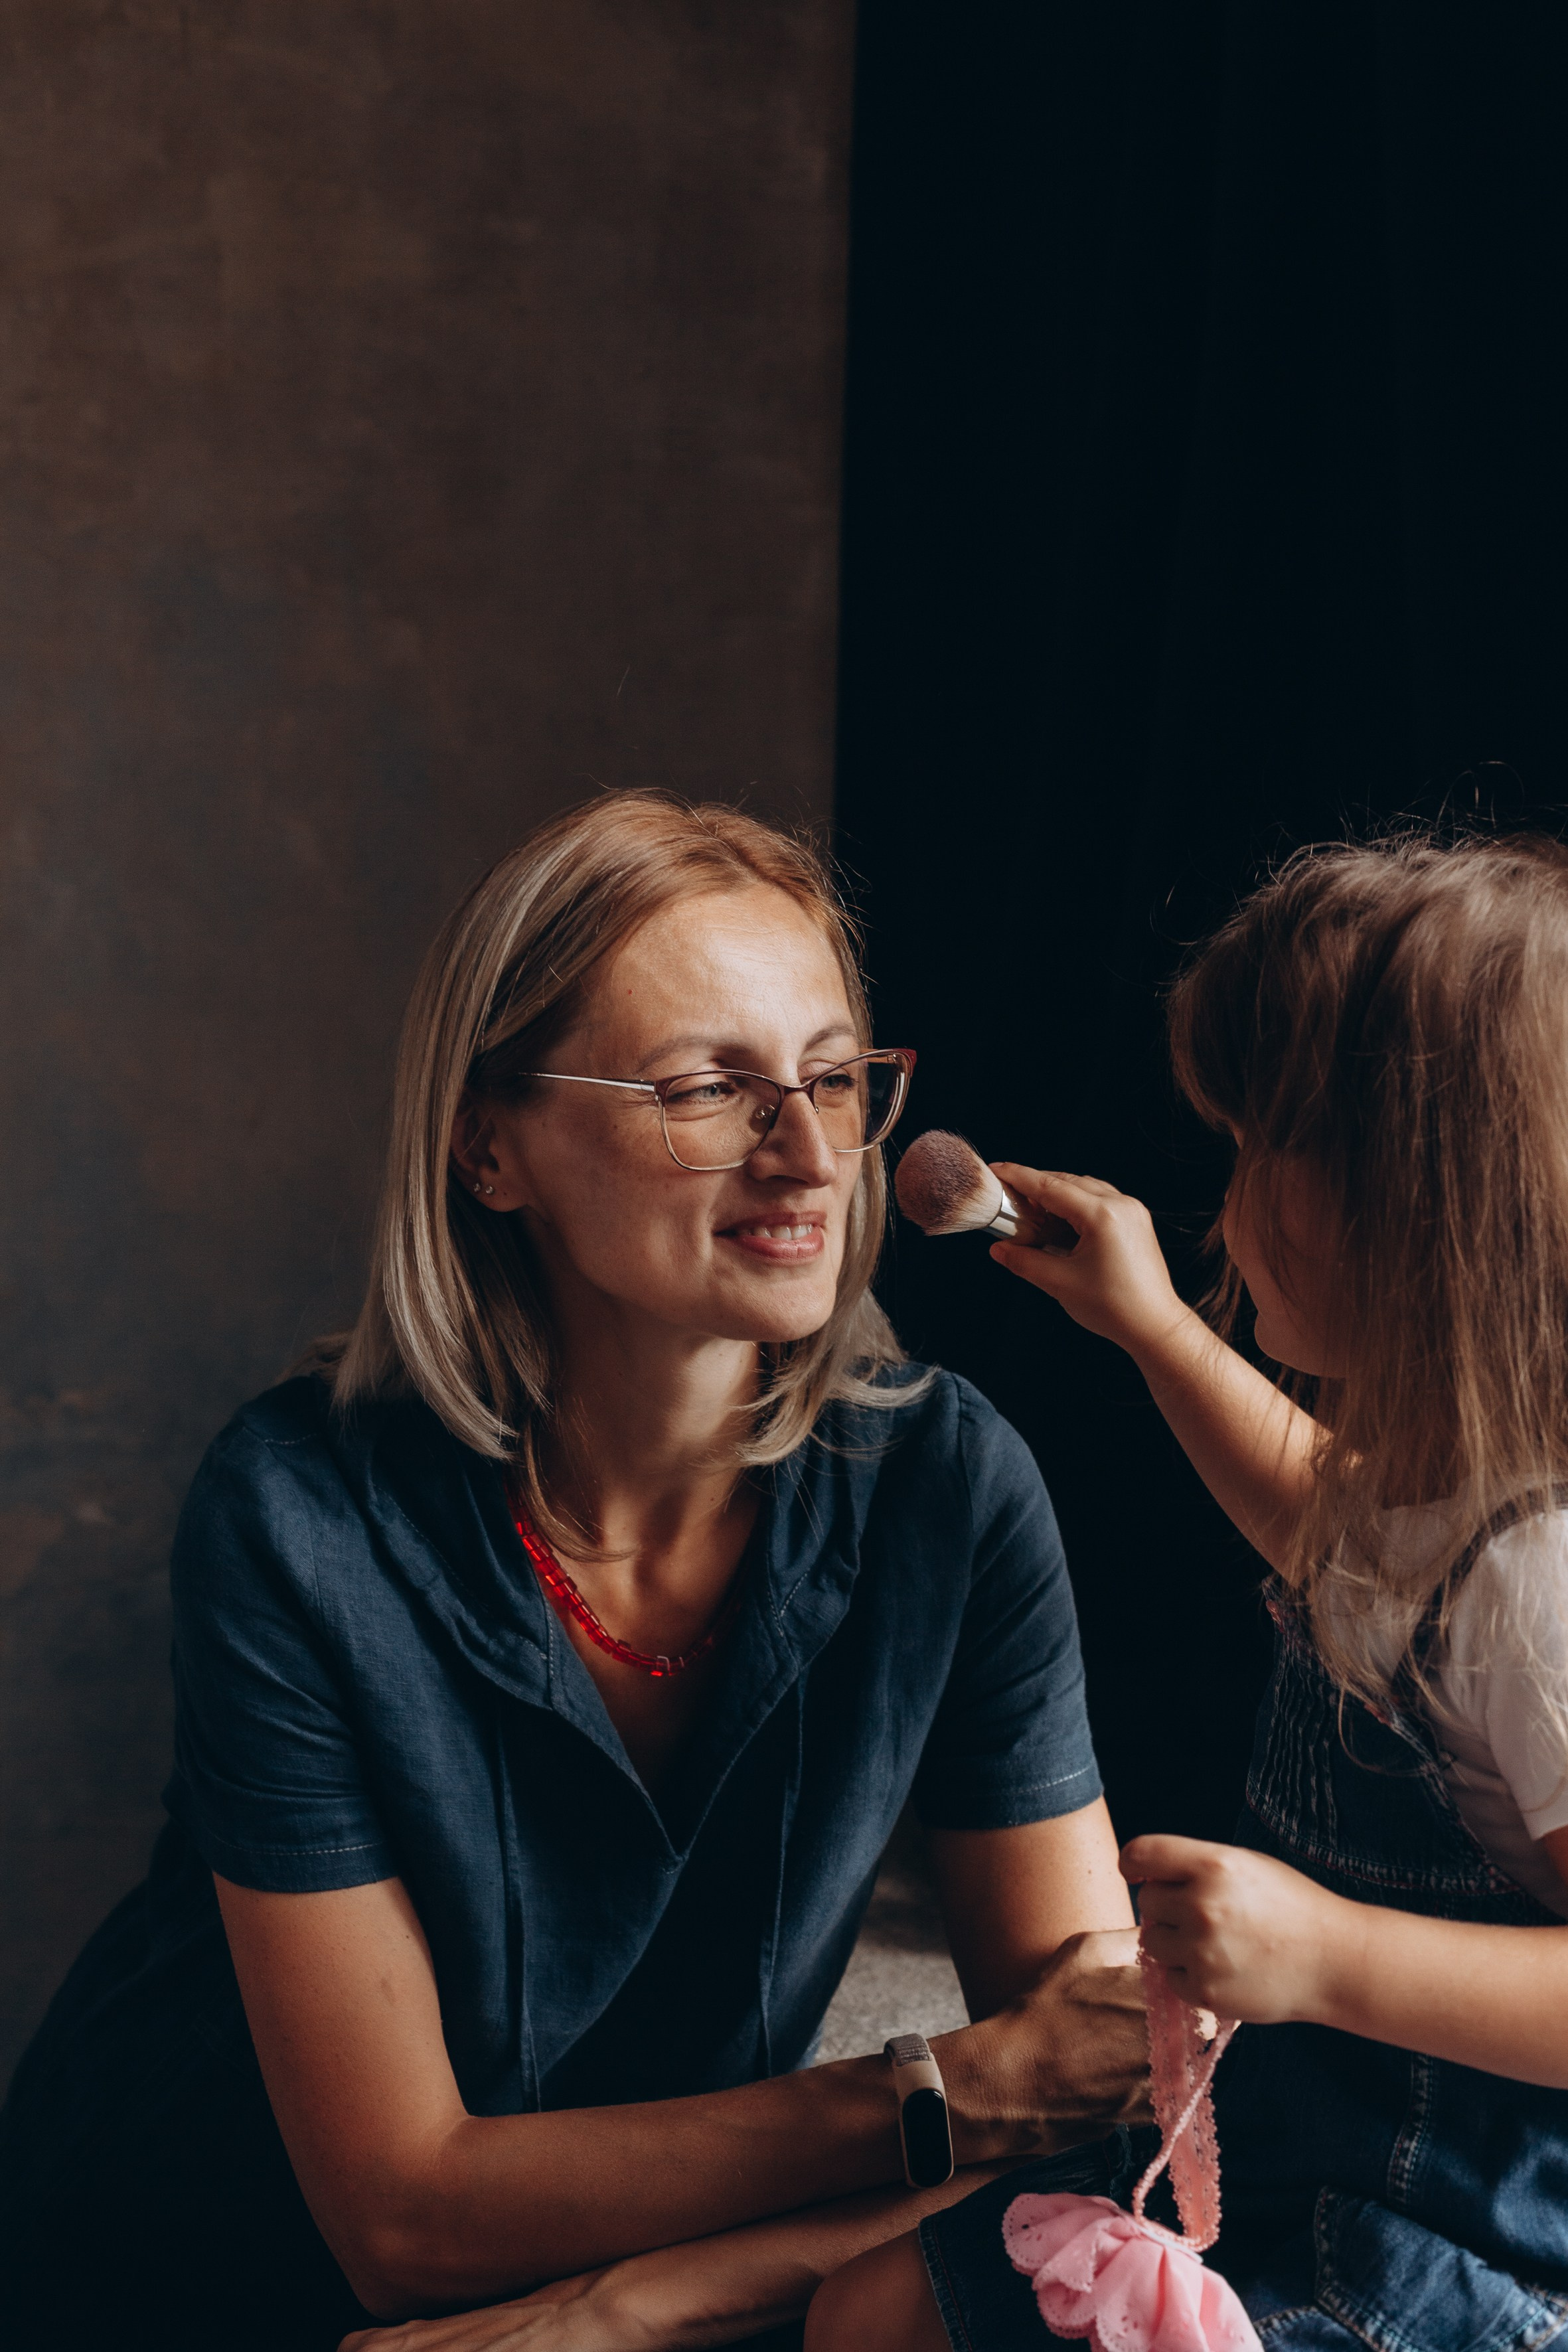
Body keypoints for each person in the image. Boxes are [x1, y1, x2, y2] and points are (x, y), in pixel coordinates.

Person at [0, 793, 1148, 2352]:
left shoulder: (948, 1482)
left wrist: (636, 2302)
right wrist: (939, 2094)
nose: (807, 1155)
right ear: (488, 1145)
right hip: (200, 2283)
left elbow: (1092, 2100)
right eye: (707, 1088)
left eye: (831, 1077)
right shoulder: (293, 1513)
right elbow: (399, 2217)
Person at [808, 832, 1568, 2351]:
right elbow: (1322, 1522)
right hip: (1288, 2137)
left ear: (1412, 1202)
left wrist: (1330, 1954)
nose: (1220, 1207)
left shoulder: (1538, 1584)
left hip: (1450, 2237)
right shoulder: (1434, 1503)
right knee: (871, 2309)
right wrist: (1150, 1325)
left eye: (1255, 1151)